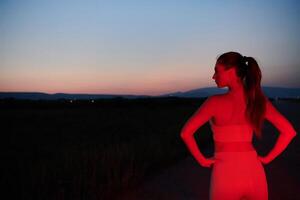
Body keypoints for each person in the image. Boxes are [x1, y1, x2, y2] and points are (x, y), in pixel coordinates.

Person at [180, 51, 297, 200]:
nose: (213, 76)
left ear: (232, 71)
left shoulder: (214, 102)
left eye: (217, 71)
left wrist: (202, 160)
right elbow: (289, 132)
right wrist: (267, 159)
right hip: (254, 172)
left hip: (225, 173)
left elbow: (185, 133)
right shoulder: (258, 102)